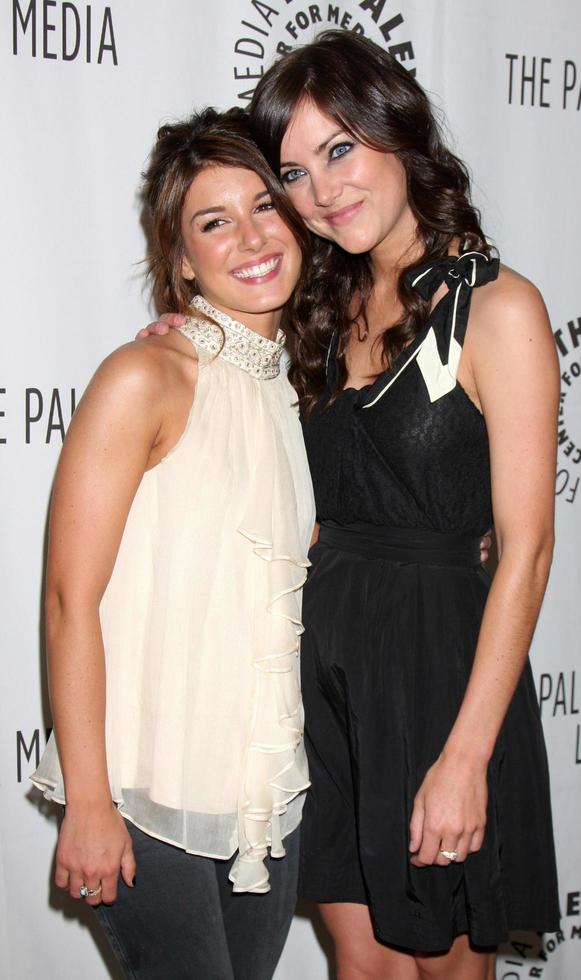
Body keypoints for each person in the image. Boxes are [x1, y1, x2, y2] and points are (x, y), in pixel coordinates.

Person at [144, 30, 560, 980]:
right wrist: (187, 331)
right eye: (294, 170)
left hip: (443, 676)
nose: (322, 191)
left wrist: (465, 757)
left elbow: (527, 551)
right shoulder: (315, 309)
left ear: (396, 131)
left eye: (341, 150)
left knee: (449, 968)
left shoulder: (497, 309)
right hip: (319, 675)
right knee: (363, 966)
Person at [31, 107, 316, 980]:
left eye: (264, 205)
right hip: (144, 803)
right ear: (181, 258)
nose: (250, 238)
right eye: (213, 222)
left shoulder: (290, 389)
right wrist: (89, 800)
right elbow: (68, 598)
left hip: (264, 805)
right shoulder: (145, 376)